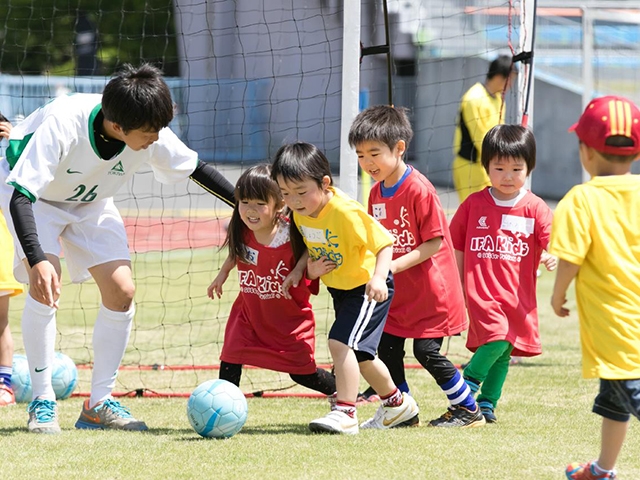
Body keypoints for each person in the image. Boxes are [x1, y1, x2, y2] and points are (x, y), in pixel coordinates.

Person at [0, 63, 236, 434]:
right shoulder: (63, 123)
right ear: (117, 126)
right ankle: (43, 401)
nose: (157, 139)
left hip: (92, 203)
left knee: (123, 289)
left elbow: (196, 169)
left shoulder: (144, 121)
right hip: (34, 199)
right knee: (46, 284)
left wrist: (249, 206)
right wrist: (36, 260)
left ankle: (98, 404)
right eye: (149, 133)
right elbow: (21, 196)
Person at [348, 105, 484, 428]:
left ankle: (468, 409)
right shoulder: (375, 192)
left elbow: (435, 242)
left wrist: (391, 266)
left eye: (374, 154)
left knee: (425, 351)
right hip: (400, 295)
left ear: (399, 149)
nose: (367, 163)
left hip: (432, 292)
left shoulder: (419, 189)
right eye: (361, 155)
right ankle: (402, 409)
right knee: (387, 346)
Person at [271, 142, 419, 434]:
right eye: (285, 193)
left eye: (301, 192)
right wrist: (301, 270)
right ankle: (398, 404)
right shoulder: (301, 212)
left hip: (365, 288)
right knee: (362, 355)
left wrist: (378, 278)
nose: (294, 200)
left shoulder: (345, 211)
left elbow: (385, 242)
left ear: (325, 183)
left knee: (340, 343)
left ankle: (345, 412)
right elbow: (309, 245)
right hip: (341, 290)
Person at [550, 96, 640, 480]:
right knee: (613, 402)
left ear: (585, 152)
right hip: (623, 333)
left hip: (618, 330)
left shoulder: (581, 199)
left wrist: (557, 296)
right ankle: (603, 469)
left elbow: (570, 258)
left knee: (629, 391)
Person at [449, 124, 556, 424]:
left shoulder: (536, 208)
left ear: (529, 168)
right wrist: (458, 284)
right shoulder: (473, 205)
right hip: (481, 293)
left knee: (504, 350)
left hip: (518, 296)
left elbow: (552, 240)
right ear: (486, 167)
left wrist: (550, 254)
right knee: (497, 339)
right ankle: (466, 387)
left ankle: (486, 404)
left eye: (516, 169)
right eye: (499, 168)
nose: (507, 176)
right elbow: (455, 245)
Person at [207, 164, 336, 396]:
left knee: (302, 373)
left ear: (280, 204)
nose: (251, 210)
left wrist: (303, 270)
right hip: (249, 315)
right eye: (245, 202)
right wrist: (223, 274)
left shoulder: (292, 232)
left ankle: (343, 391)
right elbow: (237, 252)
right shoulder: (242, 229)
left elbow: (310, 251)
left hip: (288, 320)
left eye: (260, 203)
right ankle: (222, 404)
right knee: (230, 359)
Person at [452, 54, 517, 202]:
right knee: (473, 217)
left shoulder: (499, 98)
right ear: (500, 77)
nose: (511, 85)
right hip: (471, 167)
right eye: (510, 80)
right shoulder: (474, 98)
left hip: (490, 166)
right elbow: (481, 139)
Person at [0, 114, 24, 407]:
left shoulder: (9, 165)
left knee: (1, 322)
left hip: (2, 247)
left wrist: (14, 139)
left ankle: (4, 384)